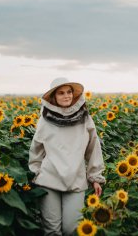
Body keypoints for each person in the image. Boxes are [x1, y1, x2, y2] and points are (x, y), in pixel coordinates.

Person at [28, 77, 105, 235]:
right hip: (49, 180)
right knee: (51, 230)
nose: (66, 96)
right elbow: (36, 149)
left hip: (75, 180)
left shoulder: (84, 118)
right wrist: (36, 173)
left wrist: (95, 177)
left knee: (72, 229)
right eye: (61, 93)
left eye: (69, 92)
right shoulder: (45, 119)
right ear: (54, 97)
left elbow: (93, 147)